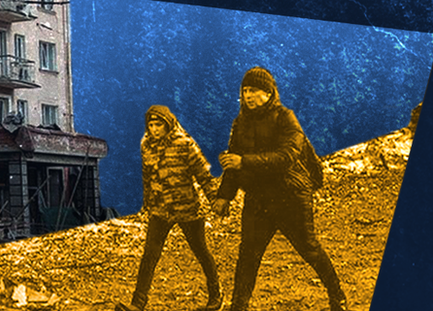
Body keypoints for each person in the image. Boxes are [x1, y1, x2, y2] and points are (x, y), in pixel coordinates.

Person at [212, 66, 347, 311]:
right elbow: (233, 161)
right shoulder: (240, 123)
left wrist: (245, 162)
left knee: (309, 249)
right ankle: (238, 307)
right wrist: (224, 197)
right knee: (248, 255)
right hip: (258, 198)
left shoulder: (286, 117)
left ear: (268, 92)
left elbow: (287, 157)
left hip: (290, 196)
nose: (248, 95)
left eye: (254, 90)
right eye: (245, 90)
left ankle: (337, 297)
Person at [116, 105, 222, 311]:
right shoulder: (146, 145)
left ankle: (215, 296)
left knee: (201, 251)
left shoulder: (184, 144)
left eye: (159, 125)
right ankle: (137, 304)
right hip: (160, 210)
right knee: (150, 255)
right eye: (151, 125)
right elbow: (147, 177)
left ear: (168, 124)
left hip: (187, 209)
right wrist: (148, 203)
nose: (154, 129)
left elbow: (203, 175)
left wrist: (216, 201)